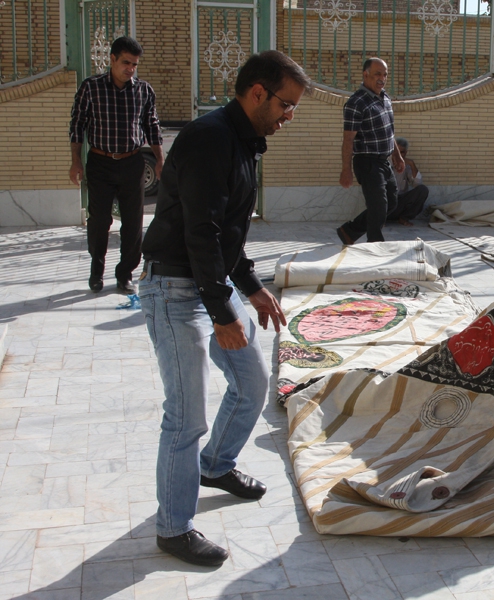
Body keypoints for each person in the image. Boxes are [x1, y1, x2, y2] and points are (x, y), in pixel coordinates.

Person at [139, 51, 310, 567]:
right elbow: (200, 232)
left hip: (207, 281)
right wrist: (221, 312)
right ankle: (173, 527)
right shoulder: (211, 138)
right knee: (185, 415)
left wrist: (250, 286)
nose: (288, 115)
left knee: (253, 382)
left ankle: (216, 465)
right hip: (173, 288)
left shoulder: (240, 140)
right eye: (286, 104)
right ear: (257, 92)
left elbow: (226, 232)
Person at [69, 36, 163, 294]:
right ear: (111, 59)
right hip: (100, 163)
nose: (130, 69)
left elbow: (152, 127)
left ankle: (125, 275)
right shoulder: (91, 88)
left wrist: (160, 160)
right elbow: (77, 125)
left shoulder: (143, 91)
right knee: (99, 221)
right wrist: (76, 161)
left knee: (133, 223)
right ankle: (96, 273)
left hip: (133, 163)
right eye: (125, 63)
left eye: (134, 64)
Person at [337, 57, 404, 245]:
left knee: (391, 202)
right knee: (378, 206)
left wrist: (397, 155)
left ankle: (349, 231)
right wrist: (346, 169)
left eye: (385, 74)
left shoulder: (385, 98)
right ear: (366, 75)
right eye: (377, 74)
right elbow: (348, 139)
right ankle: (375, 244)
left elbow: (389, 131)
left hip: (384, 161)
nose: (382, 78)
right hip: (366, 162)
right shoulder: (356, 103)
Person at [386, 137, 429, 225]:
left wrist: (412, 164)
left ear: (406, 153)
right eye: (397, 152)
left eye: (402, 152)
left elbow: (417, 183)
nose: (399, 155)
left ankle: (404, 218)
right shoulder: (385, 163)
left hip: (400, 203)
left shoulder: (407, 165)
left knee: (423, 190)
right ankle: (380, 220)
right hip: (386, 204)